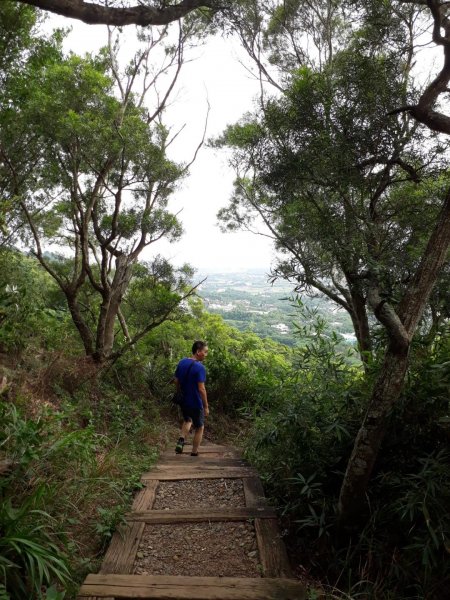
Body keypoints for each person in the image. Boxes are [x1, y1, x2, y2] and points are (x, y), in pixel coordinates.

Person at [174, 340, 209, 456]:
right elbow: (201, 389)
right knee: (200, 427)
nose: (206, 354)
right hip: (195, 402)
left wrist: (179, 392)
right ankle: (194, 452)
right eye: (205, 352)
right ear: (198, 352)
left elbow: (176, 380)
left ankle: (181, 440)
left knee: (187, 420)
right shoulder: (200, 368)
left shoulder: (182, 362)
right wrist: (206, 406)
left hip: (183, 400)